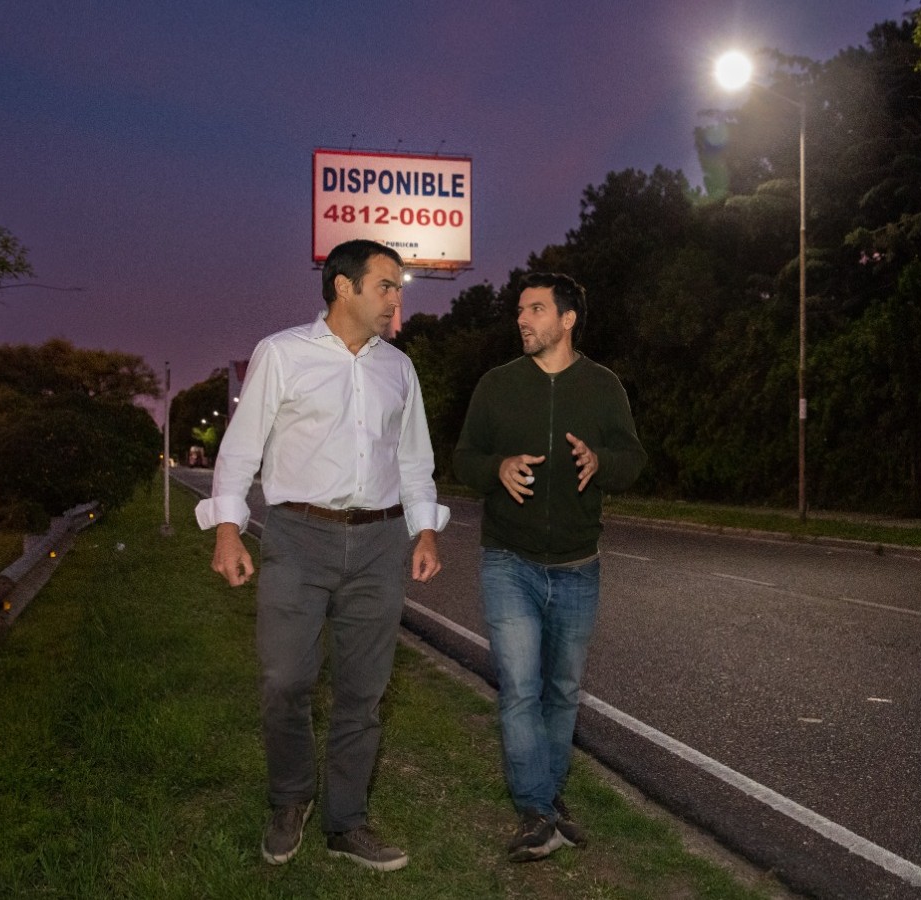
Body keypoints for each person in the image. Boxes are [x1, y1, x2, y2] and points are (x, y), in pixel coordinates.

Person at [196, 238, 448, 872]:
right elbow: (241, 447)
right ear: (344, 287)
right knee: (285, 680)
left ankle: (347, 822)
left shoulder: (399, 368)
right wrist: (228, 528)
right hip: (297, 539)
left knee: (365, 692)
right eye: (387, 284)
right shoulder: (282, 355)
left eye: (399, 287)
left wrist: (425, 530)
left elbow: (414, 458)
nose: (397, 297)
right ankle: (289, 801)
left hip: (379, 541)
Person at [453, 271, 646, 862]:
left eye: (535, 309)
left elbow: (634, 458)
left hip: (578, 565)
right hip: (509, 561)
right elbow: (463, 457)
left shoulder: (604, 386)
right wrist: (497, 469)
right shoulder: (496, 385)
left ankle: (546, 800)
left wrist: (601, 461)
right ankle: (537, 809)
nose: (522, 319)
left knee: (562, 691)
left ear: (567, 319)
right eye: (519, 310)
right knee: (519, 689)